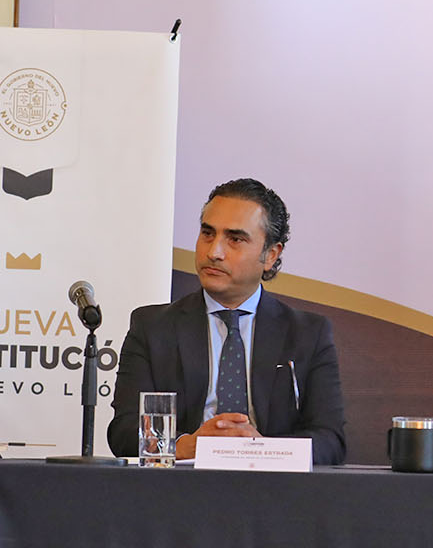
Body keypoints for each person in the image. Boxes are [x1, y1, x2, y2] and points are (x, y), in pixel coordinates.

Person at [108, 178, 347, 464]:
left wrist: (259, 450)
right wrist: (187, 446)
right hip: (180, 483)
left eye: (235, 239)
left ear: (271, 255)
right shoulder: (153, 327)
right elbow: (123, 432)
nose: (214, 252)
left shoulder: (307, 333)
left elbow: (330, 440)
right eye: (207, 234)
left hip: (272, 485)